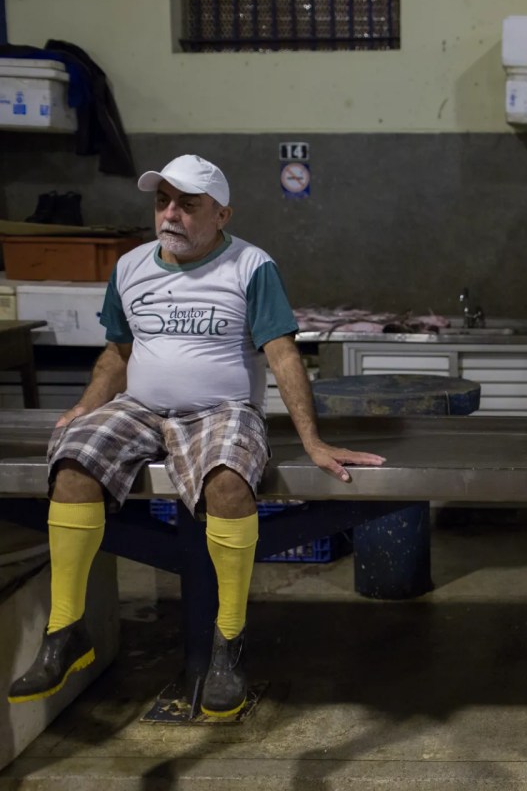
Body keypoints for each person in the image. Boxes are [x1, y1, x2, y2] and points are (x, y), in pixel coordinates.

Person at [6, 155, 385, 717]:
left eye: (188, 205)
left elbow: (282, 354)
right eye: (163, 202)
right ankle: (66, 630)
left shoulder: (250, 266)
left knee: (228, 481)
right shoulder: (130, 266)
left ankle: (228, 643)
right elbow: (118, 352)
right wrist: (86, 407)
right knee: (74, 461)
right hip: (140, 407)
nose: (170, 215)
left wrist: (312, 441)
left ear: (221, 214)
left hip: (221, 409)